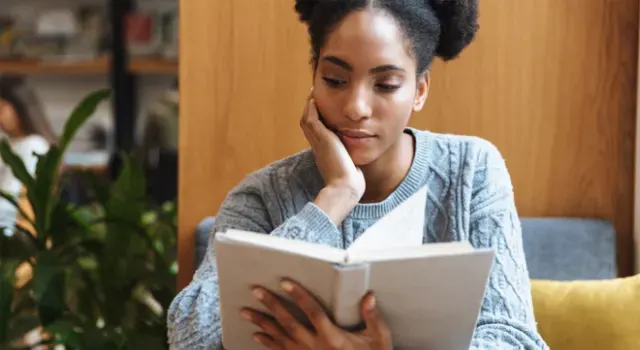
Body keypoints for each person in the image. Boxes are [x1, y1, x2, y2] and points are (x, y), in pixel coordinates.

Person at [168, 0, 549, 349]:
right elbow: (189, 338)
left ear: (419, 90)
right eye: (335, 80)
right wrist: (335, 198)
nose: (356, 108)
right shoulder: (262, 196)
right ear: (314, 75)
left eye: (386, 85)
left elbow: (517, 339)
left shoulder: (472, 170)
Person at [0, 75, 57, 236]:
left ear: (20, 107)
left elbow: (17, 203)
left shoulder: (34, 146)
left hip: (12, 238)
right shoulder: (7, 143)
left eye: (2, 108)